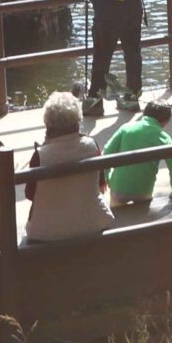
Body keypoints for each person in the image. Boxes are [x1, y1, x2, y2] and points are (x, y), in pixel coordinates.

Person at [23, 91, 114, 242]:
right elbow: (100, 184)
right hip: (93, 224)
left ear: (48, 123)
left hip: (47, 233)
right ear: (78, 120)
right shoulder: (92, 146)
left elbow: (30, 194)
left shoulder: (40, 155)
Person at [104, 96, 172, 212]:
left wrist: (108, 177)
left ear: (144, 113)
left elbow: (107, 152)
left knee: (117, 215)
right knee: (143, 214)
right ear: (166, 122)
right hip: (143, 190)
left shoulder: (126, 128)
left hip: (119, 187)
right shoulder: (164, 138)